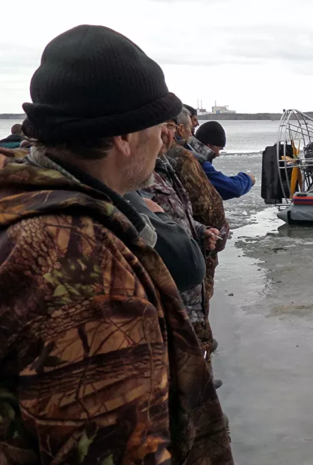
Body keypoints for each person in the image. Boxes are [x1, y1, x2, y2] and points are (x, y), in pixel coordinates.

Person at [0, 25, 233, 463]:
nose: (165, 138)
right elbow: (116, 448)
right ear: (123, 137)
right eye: (157, 125)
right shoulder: (80, 263)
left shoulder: (19, 195)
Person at [140, 118, 221, 373]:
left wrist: (199, 230)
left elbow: (181, 212)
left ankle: (201, 381)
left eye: (171, 126)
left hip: (189, 290)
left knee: (195, 349)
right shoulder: (135, 176)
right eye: (160, 124)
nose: (167, 133)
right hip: (169, 294)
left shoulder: (164, 167)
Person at [191, 121, 256, 200]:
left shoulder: (190, 151)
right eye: (219, 149)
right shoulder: (198, 161)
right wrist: (248, 179)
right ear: (209, 145)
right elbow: (231, 188)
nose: (218, 154)